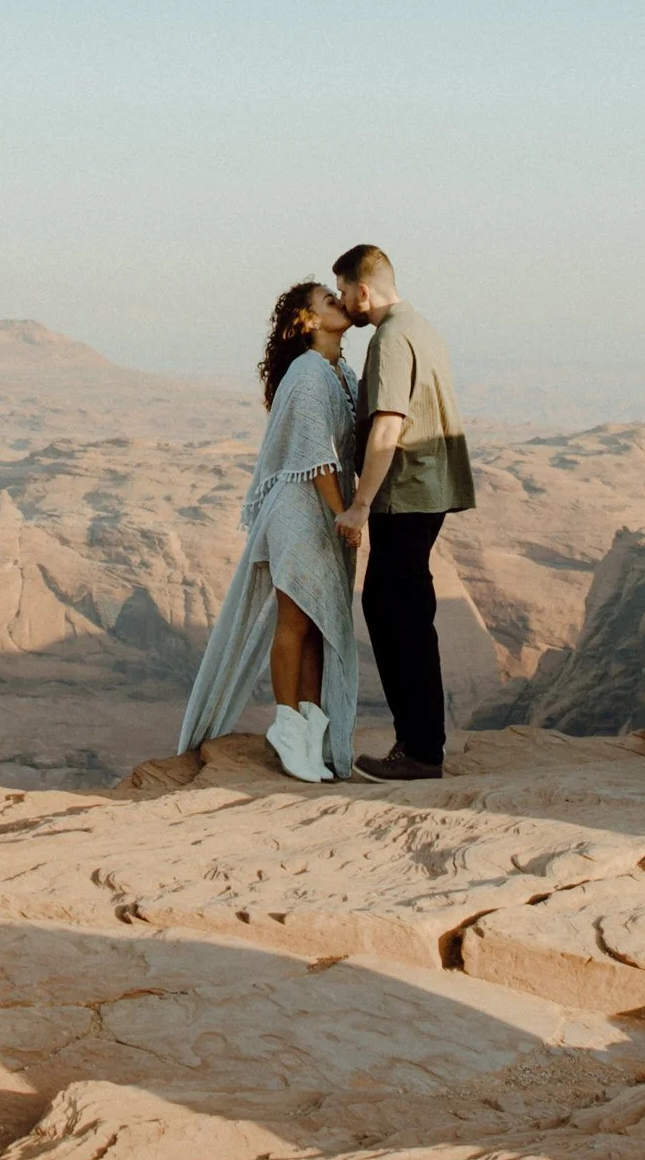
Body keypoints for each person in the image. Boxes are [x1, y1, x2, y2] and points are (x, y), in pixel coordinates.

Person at [175, 279, 361, 782]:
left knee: (319, 627)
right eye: (328, 300)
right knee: (296, 621)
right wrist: (346, 513)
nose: (339, 304)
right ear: (307, 321)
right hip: (300, 510)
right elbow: (313, 455)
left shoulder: (341, 372)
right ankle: (287, 729)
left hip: (325, 508)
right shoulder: (306, 373)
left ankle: (312, 735)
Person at [332, 243, 475, 780]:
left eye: (345, 293)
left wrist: (360, 505)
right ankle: (419, 744)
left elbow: (389, 426)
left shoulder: (390, 339)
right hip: (427, 492)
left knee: (399, 619)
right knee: (398, 611)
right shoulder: (423, 328)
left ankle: (418, 752)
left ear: (363, 290)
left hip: (404, 494)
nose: (345, 304)